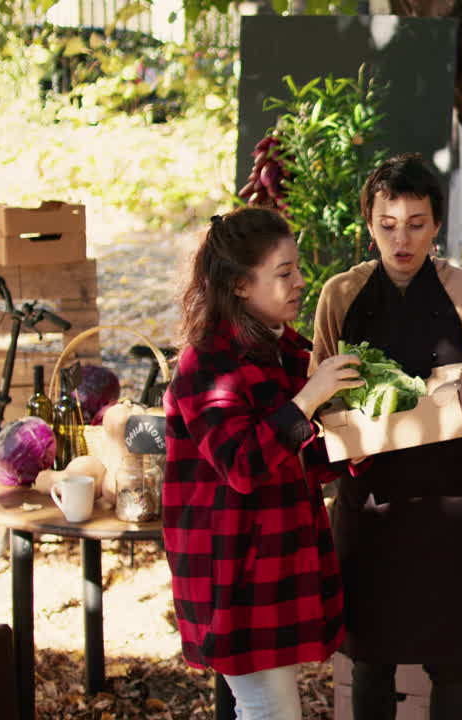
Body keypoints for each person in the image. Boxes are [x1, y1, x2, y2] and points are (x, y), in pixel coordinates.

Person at [310, 153, 462, 720]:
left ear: (437, 225)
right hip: (369, 495)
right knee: (369, 656)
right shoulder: (340, 294)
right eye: (388, 224)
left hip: (447, 495)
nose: (402, 240)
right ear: (369, 224)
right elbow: (317, 382)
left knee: (452, 660)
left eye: (417, 224)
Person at [162, 208, 366, 720]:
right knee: (269, 711)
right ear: (239, 286)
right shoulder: (205, 363)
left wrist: (347, 450)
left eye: (297, 268)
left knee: (267, 709)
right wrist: (308, 401)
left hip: (275, 557)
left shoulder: (285, 350)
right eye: (284, 273)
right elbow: (243, 464)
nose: (300, 282)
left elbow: (297, 457)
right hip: (232, 568)